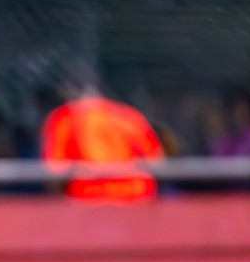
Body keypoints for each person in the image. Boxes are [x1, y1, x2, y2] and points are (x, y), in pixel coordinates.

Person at [40, 69, 163, 202]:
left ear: (66, 90)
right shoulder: (128, 114)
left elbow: (55, 171)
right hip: (136, 196)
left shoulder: (64, 118)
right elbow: (156, 162)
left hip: (89, 198)